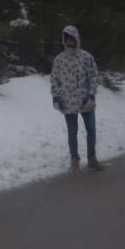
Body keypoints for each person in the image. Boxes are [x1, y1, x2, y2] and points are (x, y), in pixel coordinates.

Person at [50, 25, 104, 173]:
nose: (69, 42)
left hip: (85, 100)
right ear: (63, 41)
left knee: (91, 129)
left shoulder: (86, 57)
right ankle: (74, 159)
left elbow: (93, 76)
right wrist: (56, 97)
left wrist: (91, 94)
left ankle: (92, 159)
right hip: (67, 101)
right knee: (72, 131)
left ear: (76, 39)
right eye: (66, 39)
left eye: (72, 39)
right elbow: (54, 79)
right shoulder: (59, 60)